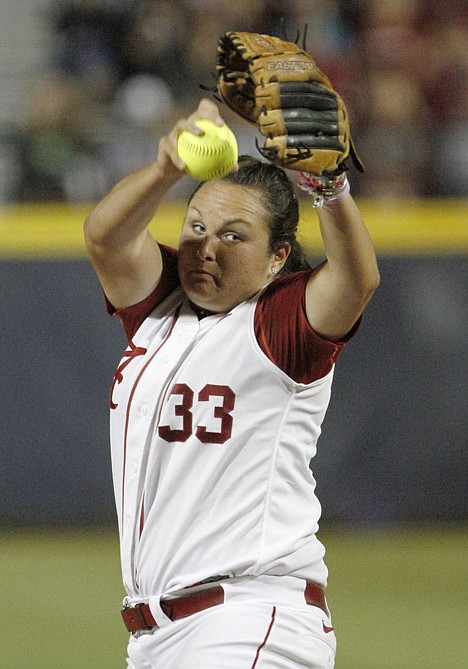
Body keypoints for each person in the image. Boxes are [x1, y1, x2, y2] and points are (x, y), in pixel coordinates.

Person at [84, 97, 379, 669]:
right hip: (158, 636)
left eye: (235, 236)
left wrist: (330, 185)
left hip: (249, 620)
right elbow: (106, 239)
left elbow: (355, 278)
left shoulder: (280, 325)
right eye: (197, 227)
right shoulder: (159, 310)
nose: (207, 248)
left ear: (278, 258)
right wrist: (166, 167)